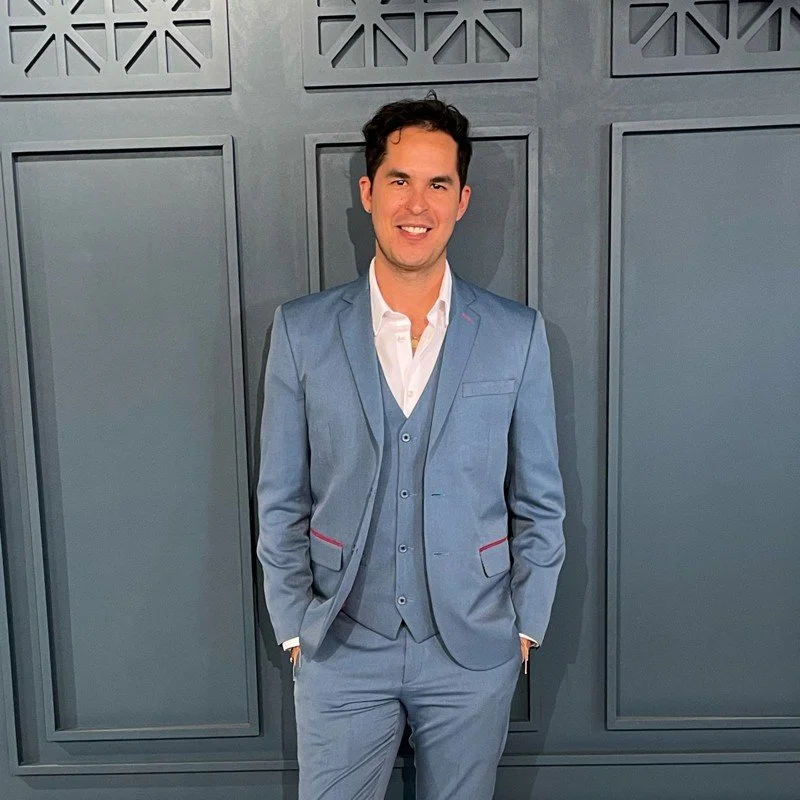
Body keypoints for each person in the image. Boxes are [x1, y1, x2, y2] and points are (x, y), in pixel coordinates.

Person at [257, 91, 565, 799]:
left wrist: (525, 626)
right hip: (339, 645)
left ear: (462, 200)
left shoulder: (516, 335)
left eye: (437, 184)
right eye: (399, 180)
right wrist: (295, 627)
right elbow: (280, 496)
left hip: (473, 649)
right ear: (369, 192)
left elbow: (540, 501)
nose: (416, 204)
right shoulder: (302, 331)